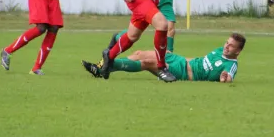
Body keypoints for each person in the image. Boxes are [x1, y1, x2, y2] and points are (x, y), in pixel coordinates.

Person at [99, 0, 183, 63]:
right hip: (147, 0)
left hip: (164, 1)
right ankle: (118, 38)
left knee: (170, 28)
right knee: (134, 34)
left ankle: (167, 59)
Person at [82, 32, 245, 83]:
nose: (226, 46)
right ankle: (103, 66)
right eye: (226, 42)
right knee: (139, 53)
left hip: (183, 73)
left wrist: (225, 78)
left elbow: (228, 78)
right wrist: (174, 56)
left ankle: (107, 66)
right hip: (180, 60)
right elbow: (201, 61)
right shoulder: (219, 50)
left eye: (231, 46)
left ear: (237, 52)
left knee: (146, 63)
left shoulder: (231, 64)